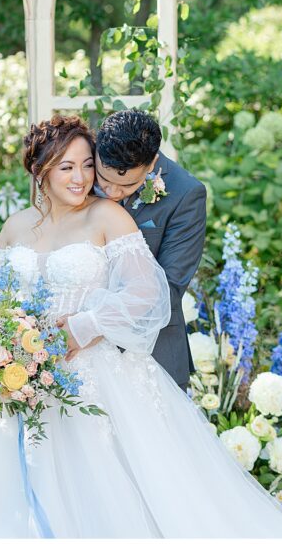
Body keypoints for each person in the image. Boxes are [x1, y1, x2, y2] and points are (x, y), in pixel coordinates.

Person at [0, 115, 282, 539]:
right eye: (67, 167)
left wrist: (81, 327)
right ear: (40, 171)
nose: (84, 179)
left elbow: (150, 295)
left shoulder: (109, 216)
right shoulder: (16, 226)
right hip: (17, 376)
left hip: (94, 372)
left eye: (86, 166)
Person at [93, 109, 206, 388]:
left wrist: (92, 323)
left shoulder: (186, 194)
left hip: (151, 357)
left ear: (152, 162)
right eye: (103, 180)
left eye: (127, 185)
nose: (111, 193)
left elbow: (168, 288)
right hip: (84, 362)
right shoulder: (78, 172)